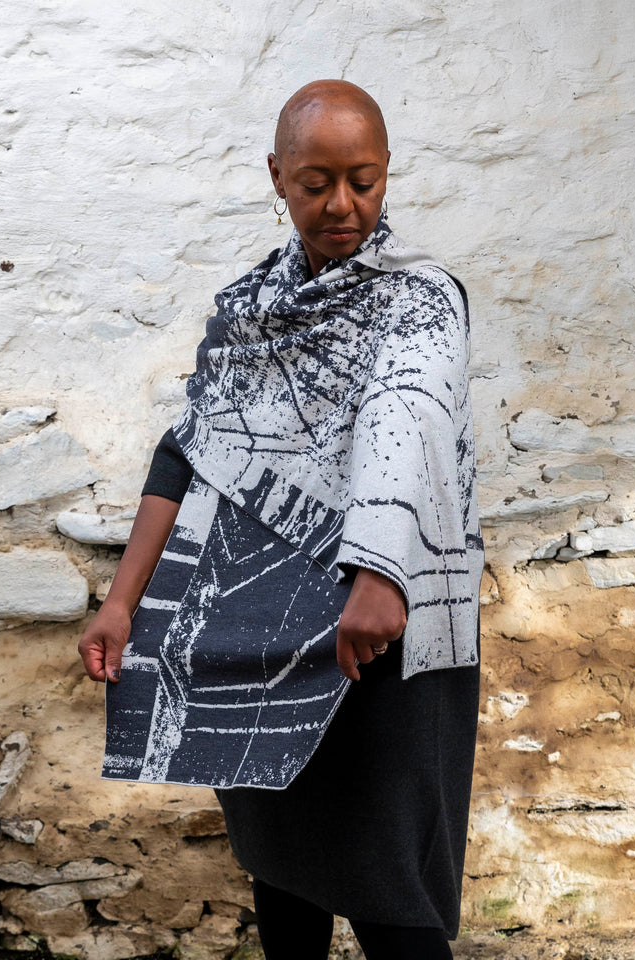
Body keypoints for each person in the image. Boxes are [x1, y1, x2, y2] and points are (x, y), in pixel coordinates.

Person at [78, 80, 484, 960]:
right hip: (255, 628)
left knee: (391, 888)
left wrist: (379, 573)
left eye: (364, 181)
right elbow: (188, 451)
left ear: (387, 173)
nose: (342, 205)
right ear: (277, 176)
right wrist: (121, 603)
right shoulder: (248, 309)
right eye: (315, 183)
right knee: (285, 876)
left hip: (375, 631)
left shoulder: (419, 298)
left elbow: (406, 413)